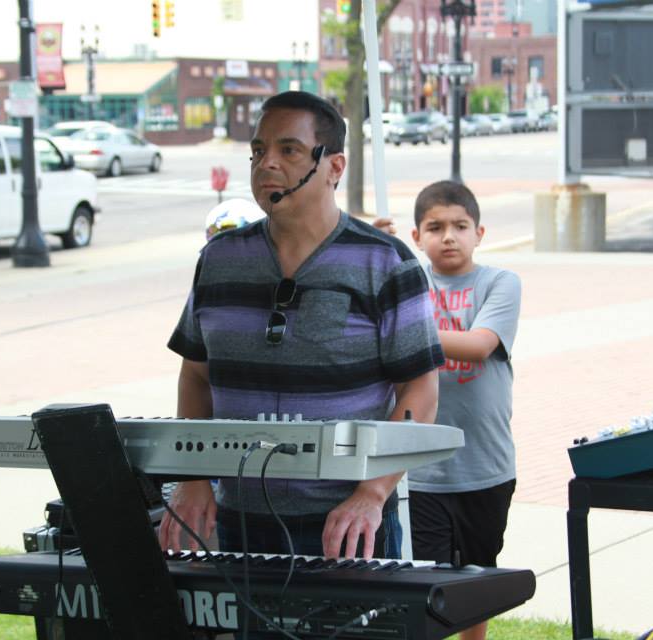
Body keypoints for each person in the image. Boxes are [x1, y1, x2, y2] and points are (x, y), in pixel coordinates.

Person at [160, 91, 443, 567]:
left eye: (288, 150)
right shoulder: (218, 260)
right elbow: (195, 376)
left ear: (334, 166)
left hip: (348, 528)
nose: (266, 163)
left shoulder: (386, 262)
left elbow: (420, 388)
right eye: (257, 150)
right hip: (239, 521)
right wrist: (193, 478)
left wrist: (372, 495)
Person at [407, 181, 522, 640]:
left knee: (477, 580)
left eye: (460, 226)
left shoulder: (500, 283)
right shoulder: (409, 283)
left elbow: (478, 346)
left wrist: (400, 330)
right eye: (435, 227)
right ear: (416, 237)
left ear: (480, 232)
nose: (448, 236)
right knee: (426, 584)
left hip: (485, 465)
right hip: (421, 471)